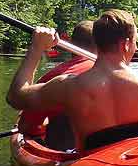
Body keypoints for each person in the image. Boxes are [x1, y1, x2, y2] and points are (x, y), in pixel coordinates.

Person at [7, 10, 138, 152]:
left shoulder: (68, 86)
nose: (136, 46)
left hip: (92, 165)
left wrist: (36, 48)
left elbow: (16, 96)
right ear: (126, 44)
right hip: (137, 161)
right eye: (136, 40)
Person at [17, 20, 97, 150]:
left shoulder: (54, 77)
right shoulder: (119, 73)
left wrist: (44, 122)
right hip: (106, 150)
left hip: (66, 154)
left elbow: (26, 127)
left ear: (70, 43)